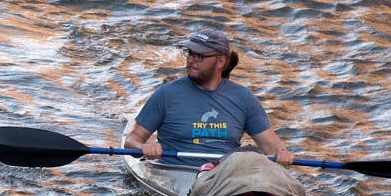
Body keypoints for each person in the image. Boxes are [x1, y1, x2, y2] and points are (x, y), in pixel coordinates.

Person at [124, 29, 295, 167]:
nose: (191, 60)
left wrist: (281, 154)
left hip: (224, 176)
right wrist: (144, 147)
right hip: (176, 171)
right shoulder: (166, 94)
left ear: (221, 61)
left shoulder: (244, 98)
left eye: (199, 56)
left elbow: (270, 146)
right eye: (190, 53)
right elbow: (131, 141)